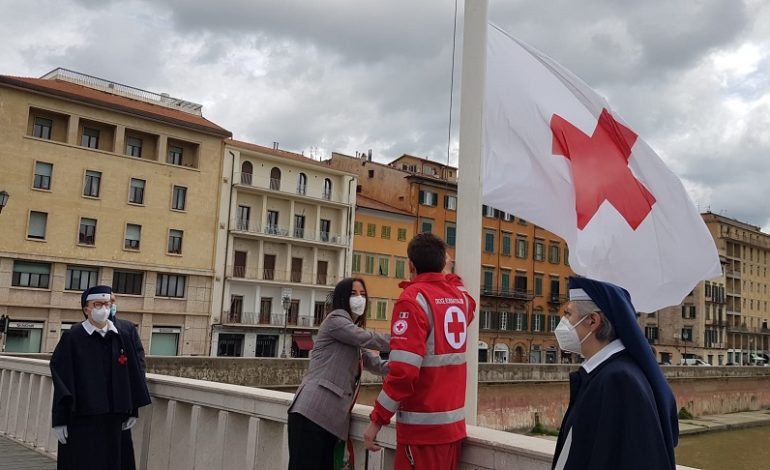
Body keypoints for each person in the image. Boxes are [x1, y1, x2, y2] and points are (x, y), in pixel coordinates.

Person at [364, 233, 476, 470]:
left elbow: (403, 373)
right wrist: (450, 274)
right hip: (453, 430)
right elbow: (468, 300)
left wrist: (377, 420)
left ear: (410, 265)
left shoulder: (412, 300)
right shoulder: (460, 299)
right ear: (442, 263)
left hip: (422, 435)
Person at [551, 276, 678, 470]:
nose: (563, 321)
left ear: (593, 321)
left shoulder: (620, 380)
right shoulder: (604, 374)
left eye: (568, 314)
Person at [287, 277, 390, 470]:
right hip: (312, 413)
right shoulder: (336, 320)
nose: (360, 299)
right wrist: (404, 337)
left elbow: (375, 363)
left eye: (363, 294)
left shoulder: (351, 334)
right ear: (342, 298)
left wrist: (408, 364)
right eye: (353, 294)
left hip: (328, 420)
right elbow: (367, 338)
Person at [50, 285, 151, 470]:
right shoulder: (73, 337)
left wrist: (132, 409)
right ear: (86, 308)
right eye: (98, 304)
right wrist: (59, 419)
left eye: (107, 303)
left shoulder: (122, 335)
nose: (104, 308)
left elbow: (134, 372)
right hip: (82, 419)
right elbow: (61, 379)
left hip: (114, 418)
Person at [110, 292, 146, 469]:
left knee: (122, 455)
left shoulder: (127, 329)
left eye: (111, 302)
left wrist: (134, 408)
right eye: (100, 303)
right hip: (92, 410)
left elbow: (137, 367)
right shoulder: (77, 334)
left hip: (120, 406)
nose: (108, 306)